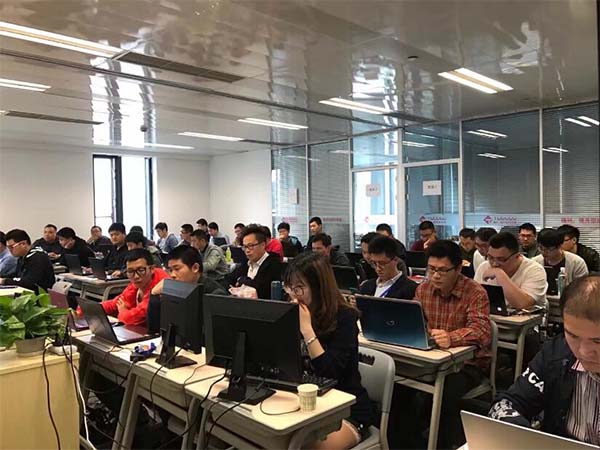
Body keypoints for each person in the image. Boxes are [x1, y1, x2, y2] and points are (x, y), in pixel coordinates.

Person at [391, 240, 491, 449]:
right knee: (396, 387)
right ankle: (407, 441)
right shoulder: (424, 289)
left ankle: (442, 444)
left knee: (443, 394)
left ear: (458, 268)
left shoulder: (475, 292)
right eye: (431, 269)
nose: (435, 275)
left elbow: (482, 330)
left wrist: (452, 337)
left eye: (443, 270)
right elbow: (413, 321)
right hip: (430, 360)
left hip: (467, 365)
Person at [489, 275, 600, 447]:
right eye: (573, 335)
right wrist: (524, 437)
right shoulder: (556, 354)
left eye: (598, 341)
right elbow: (506, 404)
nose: (583, 351)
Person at [283, 252, 376, 448]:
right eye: (290, 287)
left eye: (299, 287)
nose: (293, 294)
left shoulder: (345, 317)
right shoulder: (293, 312)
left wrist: (307, 330)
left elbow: (330, 372)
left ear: (318, 287)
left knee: (303, 447)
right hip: (309, 404)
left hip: (347, 410)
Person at [94, 249, 168, 326]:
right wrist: (92, 309)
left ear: (152, 269)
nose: (136, 276)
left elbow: (135, 318)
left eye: (141, 270)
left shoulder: (160, 289)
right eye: (130, 271)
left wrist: (123, 312)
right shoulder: (135, 286)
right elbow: (116, 303)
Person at [475, 232, 548, 309]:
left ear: (517, 256)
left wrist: (499, 274)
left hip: (525, 316)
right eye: (490, 258)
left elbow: (523, 304)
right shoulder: (484, 267)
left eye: (501, 259)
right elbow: (475, 299)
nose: (494, 264)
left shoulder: (535, 270)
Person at [227, 225, 282, 299]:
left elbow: (260, 289)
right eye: (245, 247)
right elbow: (229, 279)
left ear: (263, 245)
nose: (247, 250)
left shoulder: (273, 263)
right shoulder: (247, 263)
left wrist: (241, 280)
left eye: (251, 246)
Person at [151, 246, 226, 296]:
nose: (172, 275)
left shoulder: (215, 293)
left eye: (177, 269)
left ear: (195, 268)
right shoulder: (178, 288)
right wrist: (154, 294)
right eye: (170, 270)